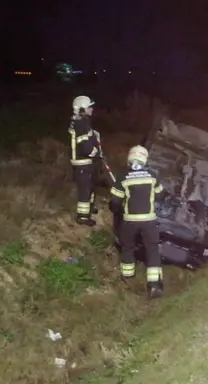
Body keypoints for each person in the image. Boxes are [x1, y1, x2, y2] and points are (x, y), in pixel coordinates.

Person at [109, 145, 168, 299]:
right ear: (145, 158)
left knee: (127, 247)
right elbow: (161, 195)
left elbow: (114, 202)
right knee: (152, 250)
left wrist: (118, 210)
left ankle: (128, 281)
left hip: (130, 222)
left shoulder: (123, 176)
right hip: (149, 221)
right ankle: (154, 285)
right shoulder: (153, 175)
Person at [68, 95, 102, 226]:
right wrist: (97, 154)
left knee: (91, 185)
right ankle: (82, 217)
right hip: (83, 162)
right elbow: (85, 146)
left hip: (87, 162)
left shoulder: (81, 122)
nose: (92, 109)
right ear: (82, 108)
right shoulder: (81, 124)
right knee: (85, 189)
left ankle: (90, 207)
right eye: (89, 107)